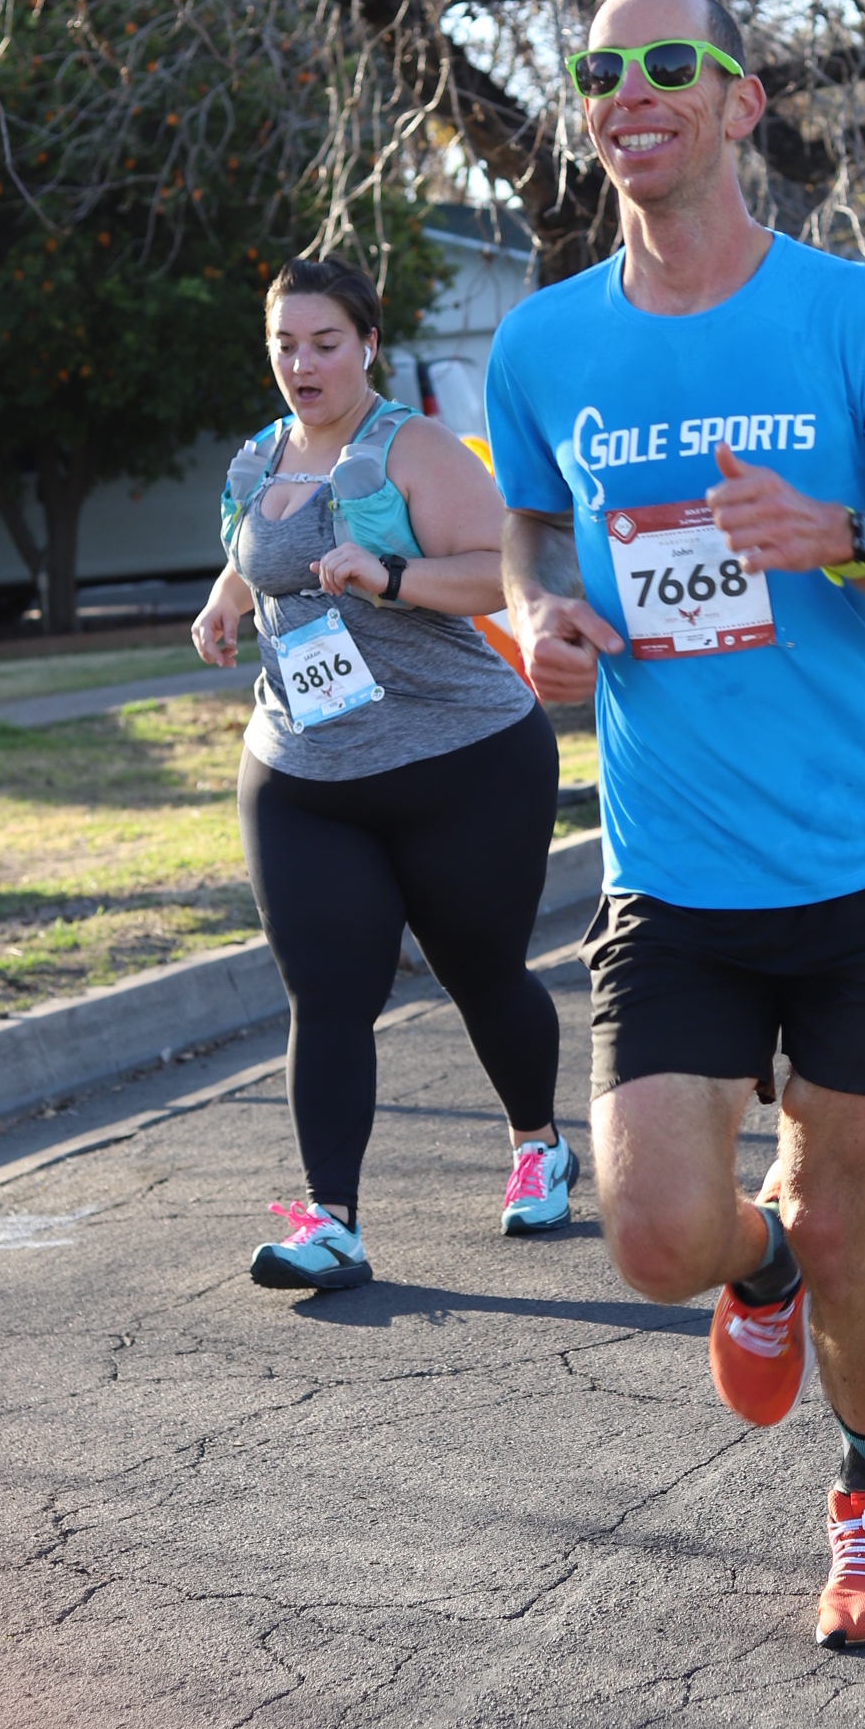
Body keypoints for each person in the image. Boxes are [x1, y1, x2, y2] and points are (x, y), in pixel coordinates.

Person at [486, 0, 865, 1646]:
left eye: (668, 63)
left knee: (847, 1216)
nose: (629, 91)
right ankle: (755, 1268)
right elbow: (529, 533)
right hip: (677, 874)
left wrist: (842, 537)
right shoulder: (541, 343)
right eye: (601, 70)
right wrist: (533, 613)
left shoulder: (854, 318)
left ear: (740, 102)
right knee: (654, 1239)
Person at [193, 256, 577, 1288]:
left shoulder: (415, 448)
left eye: (325, 343)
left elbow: (504, 573)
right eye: (285, 345)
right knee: (325, 993)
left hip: (461, 759)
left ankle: (538, 1144)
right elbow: (257, 553)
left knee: (481, 974)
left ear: (368, 344)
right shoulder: (261, 456)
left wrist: (391, 575)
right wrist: (227, 600)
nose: (303, 364)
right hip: (303, 770)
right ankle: (331, 1221)